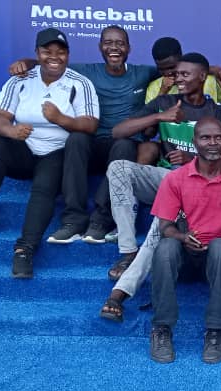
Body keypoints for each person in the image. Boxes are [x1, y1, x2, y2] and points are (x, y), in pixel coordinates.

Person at [98, 53, 221, 322]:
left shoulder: (216, 112)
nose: (179, 79)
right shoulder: (165, 102)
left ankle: (121, 292)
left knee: (163, 221)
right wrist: (159, 117)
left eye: (185, 74)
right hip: (166, 176)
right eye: (176, 74)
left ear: (202, 77)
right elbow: (118, 131)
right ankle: (128, 251)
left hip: (198, 182)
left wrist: (195, 160)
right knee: (118, 167)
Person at [0, 28, 99, 278]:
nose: (54, 57)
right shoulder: (20, 80)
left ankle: (25, 249)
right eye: (47, 51)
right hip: (23, 149)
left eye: (61, 52)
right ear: (37, 53)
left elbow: (89, 124)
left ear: (68, 55)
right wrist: (11, 132)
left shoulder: (79, 83)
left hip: (57, 152)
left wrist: (60, 118)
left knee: (43, 188)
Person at [11, 26, 161, 244]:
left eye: (120, 43)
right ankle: (73, 220)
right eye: (108, 43)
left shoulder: (143, 73)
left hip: (122, 147)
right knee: (76, 138)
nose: (114, 48)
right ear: (100, 47)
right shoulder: (86, 70)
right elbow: (53, 62)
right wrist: (26, 62)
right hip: (93, 145)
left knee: (125, 144)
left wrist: (213, 70)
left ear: (129, 48)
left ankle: (101, 220)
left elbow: (173, 68)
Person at [148, 117, 221, 364]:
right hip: (186, 256)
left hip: (219, 260)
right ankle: (161, 328)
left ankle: (216, 330)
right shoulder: (177, 178)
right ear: (194, 141)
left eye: (218, 137)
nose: (212, 143)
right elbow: (165, 227)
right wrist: (182, 236)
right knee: (166, 247)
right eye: (205, 138)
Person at [139, 37, 221, 165]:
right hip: (171, 153)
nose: (168, 73)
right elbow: (148, 132)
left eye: (172, 67)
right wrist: (162, 92)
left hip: (206, 151)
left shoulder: (209, 81)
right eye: (162, 69)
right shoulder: (155, 87)